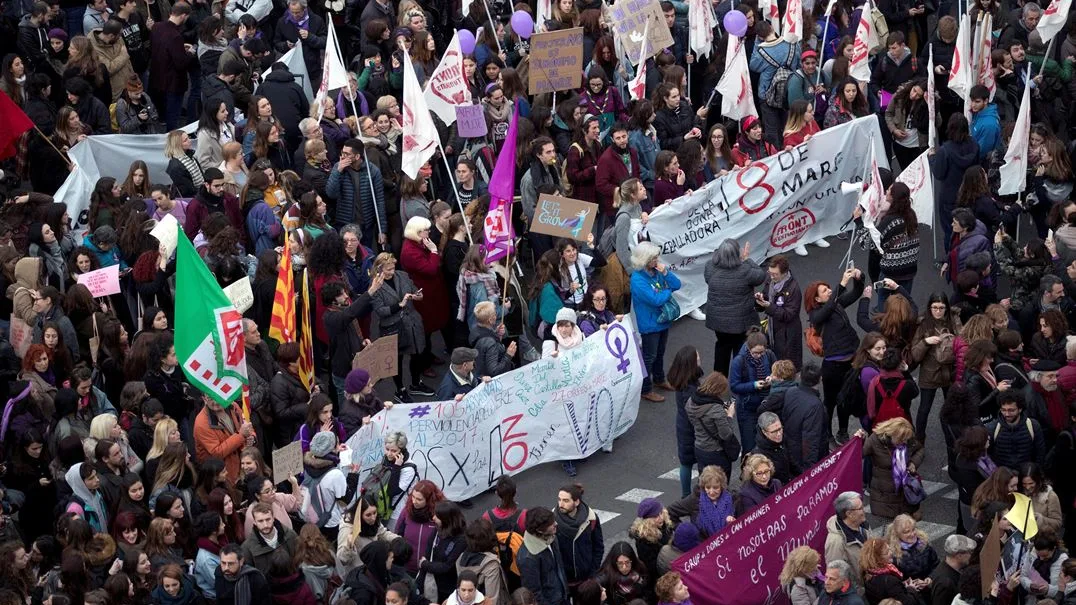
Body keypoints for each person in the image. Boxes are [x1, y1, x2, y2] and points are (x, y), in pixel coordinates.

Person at [805, 268, 864, 443]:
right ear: (816, 299)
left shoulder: (835, 304)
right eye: (825, 290)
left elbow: (856, 293)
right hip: (833, 367)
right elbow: (826, 310)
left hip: (851, 362)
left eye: (829, 288)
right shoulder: (816, 314)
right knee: (830, 403)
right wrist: (841, 285)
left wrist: (859, 279)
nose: (830, 291)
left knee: (845, 400)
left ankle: (843, 432)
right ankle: (827, 434)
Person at [630, 241, 681, 402]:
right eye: (654, 258)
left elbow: (677, 284)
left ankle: (659, 379)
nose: (657, 260)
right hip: (650, 324)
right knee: (649, 357)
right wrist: (668, 291)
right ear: (644, 259)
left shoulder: (656, 271)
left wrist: (666, 273)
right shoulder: (637, 279)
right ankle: (645, 389)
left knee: (659, 353)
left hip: (662, 320)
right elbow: (656, 300)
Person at [516, 507, 569, 605]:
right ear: (539, 530)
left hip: (562, 596)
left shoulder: (551, 537)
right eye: (551, 524)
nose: (556, 524)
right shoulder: (527, 558)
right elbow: (534, 593)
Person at [987, 391, 1046, 470]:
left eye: (1011, 410)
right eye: (1003, 410)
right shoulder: (992, 427)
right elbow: (988, 455)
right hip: (1003, 477)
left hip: (1026, 476)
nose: (1007, 414)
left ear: (1020, 409)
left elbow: (1040, 453)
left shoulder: (1033, 425)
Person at [825, 491, 869, 580]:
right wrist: (860, 591)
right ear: (849, 514)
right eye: (860, 508)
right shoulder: (835, 542)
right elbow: (836, 576)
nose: (864, 510)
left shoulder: (862, 523)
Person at [929, 535, 977, 605]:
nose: (972, 555)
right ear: (959, 555)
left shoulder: (956, 567)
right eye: (970, 552)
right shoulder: (945, 583)